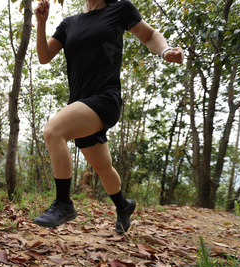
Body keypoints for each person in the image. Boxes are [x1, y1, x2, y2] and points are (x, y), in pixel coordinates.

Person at [34, 0, 184, 233]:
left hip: (105, 98)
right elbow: (44, 57)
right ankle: (123, 205)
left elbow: (149, 34)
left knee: (53, 130)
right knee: (103, 166)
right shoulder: (68, 24)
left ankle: (63, 203)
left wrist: (165, 51)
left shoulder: (120, 10)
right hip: (80, 104)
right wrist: (41, 23)